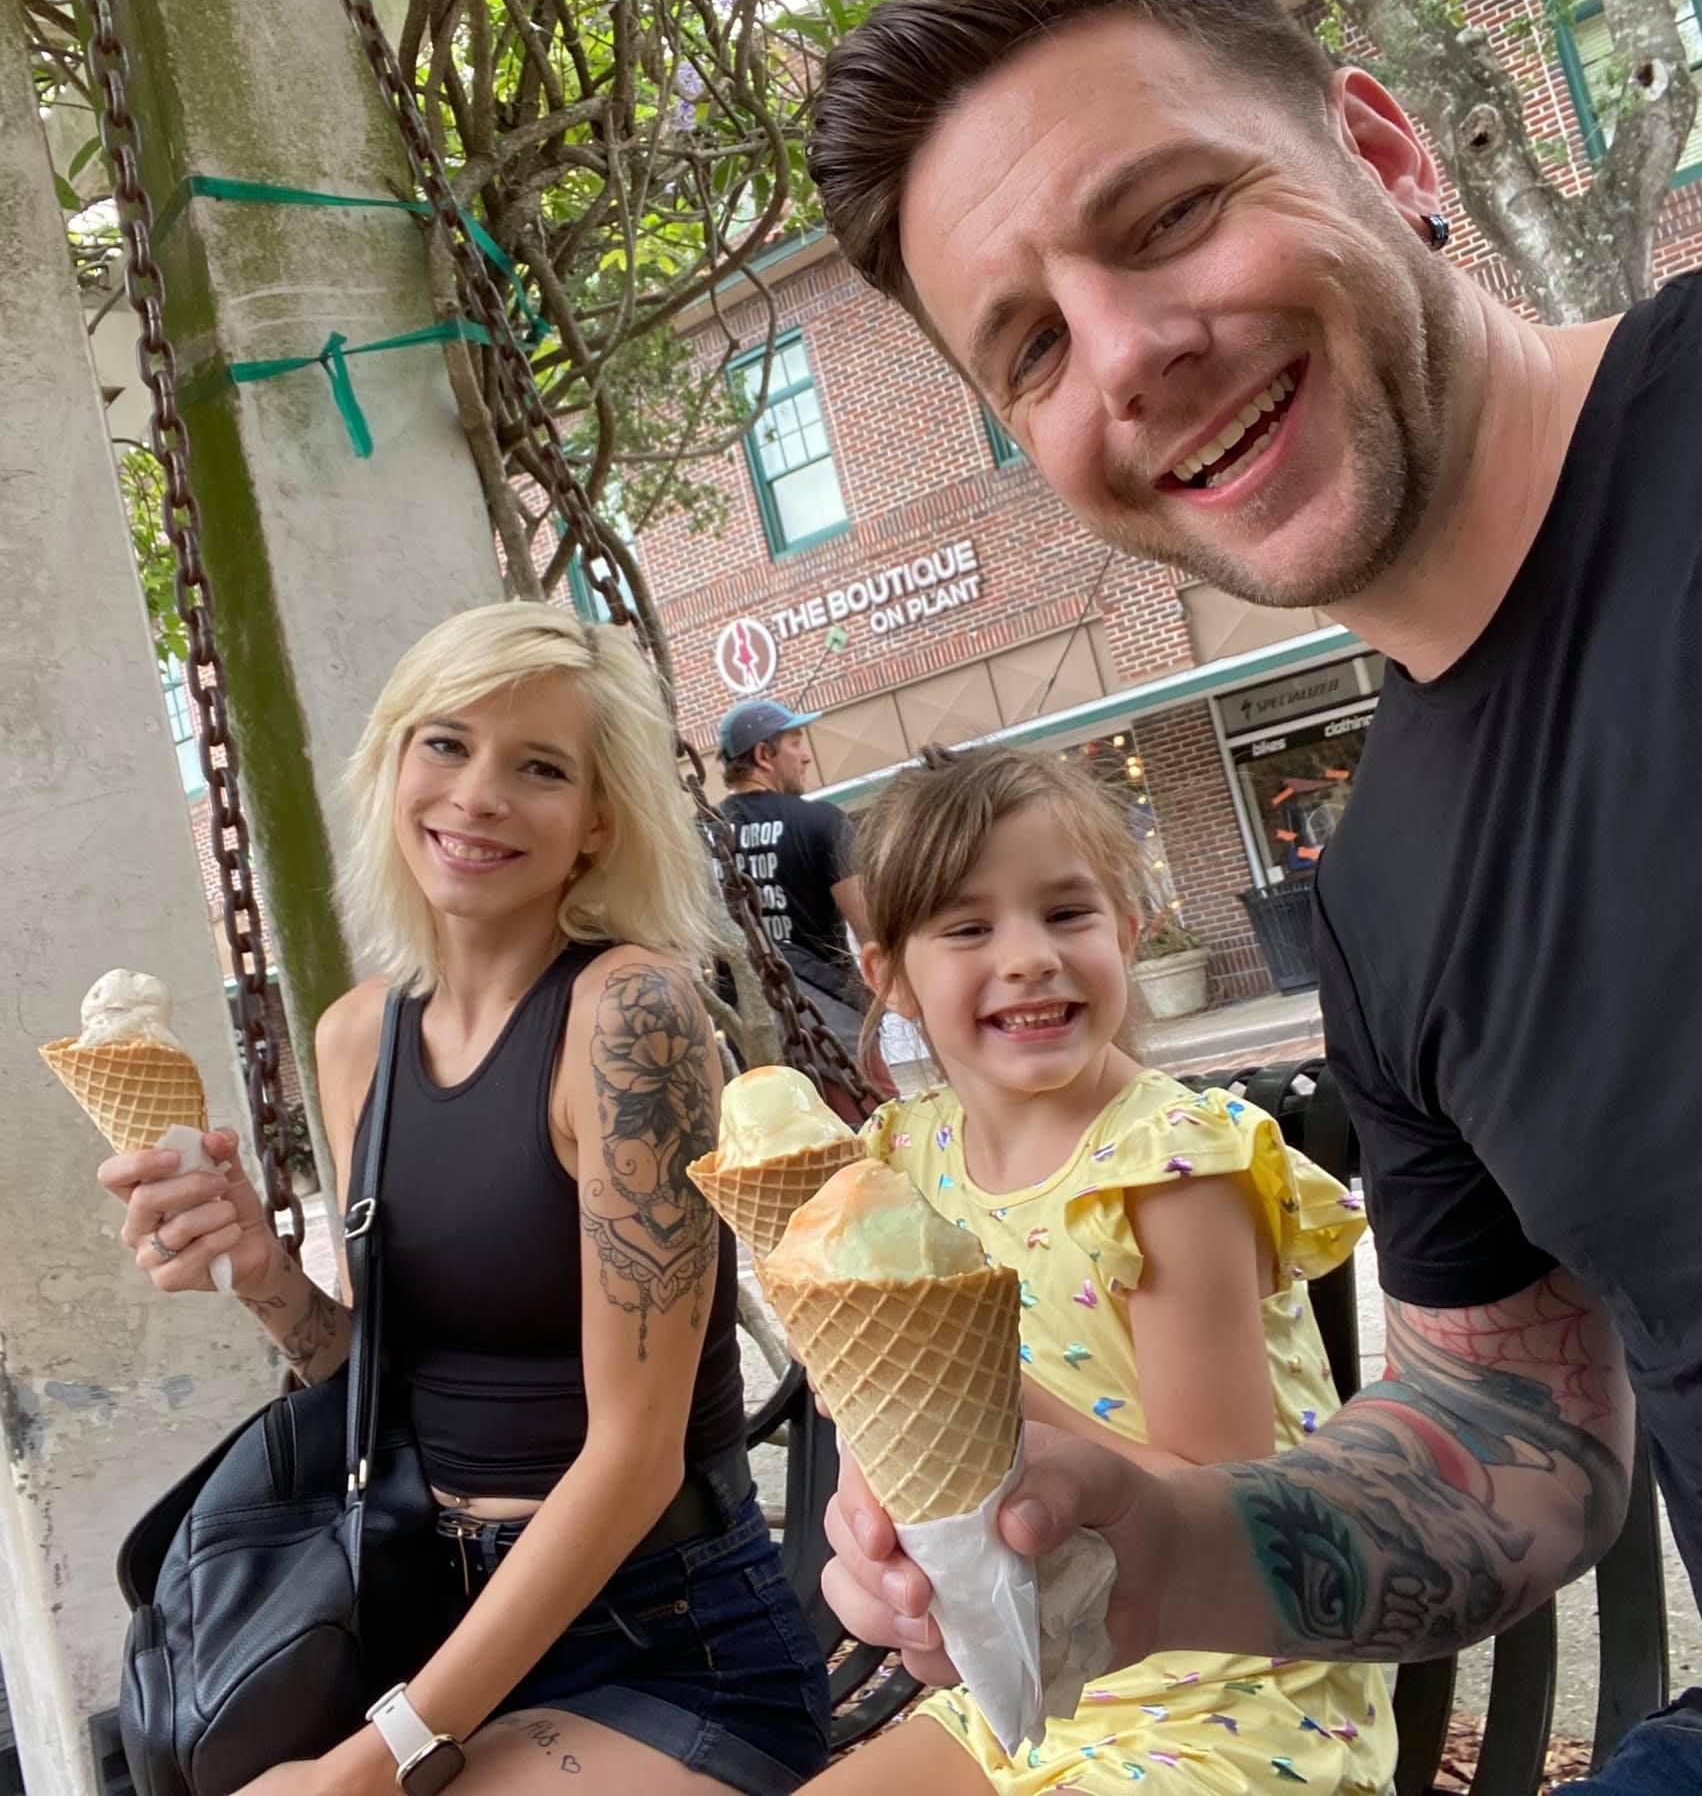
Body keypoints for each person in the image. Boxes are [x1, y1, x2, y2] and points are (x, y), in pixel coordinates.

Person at [803, 0, 1702, 1793]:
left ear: (1384, 156)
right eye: (1034, 345)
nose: (1129, 355)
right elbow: (1510, 1417)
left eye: (1164, 219)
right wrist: (1155, 1537)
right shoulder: (1381, 902)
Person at [100, 603, 831, 1796]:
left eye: (538, 766)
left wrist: (369, 1761)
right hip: (418, 1616)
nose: (478, 793)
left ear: (598, 820)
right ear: (394, 762)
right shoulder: (353, 1039)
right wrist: (265, 1272)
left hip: (660, 1637)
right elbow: (376, 1383)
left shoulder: (628, 1014)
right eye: (446, 743)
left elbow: (637, 1453)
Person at [799, 745, 1392, 1796]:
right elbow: (879, 1458)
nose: (1027, 956)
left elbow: (1224, 1502)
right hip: (1029, 1670)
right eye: (968, 926)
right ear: (889, 973)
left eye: (1065, 913)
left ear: (1127, 926)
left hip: (1231, 1682)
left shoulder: (1172, 1163)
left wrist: (970, 1376)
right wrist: (874, 1551)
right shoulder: (899, 1160)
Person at [718, 698, 870, 1054]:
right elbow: (871, 929)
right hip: (832, 1028)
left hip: (746, 1037)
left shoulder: (702, 835)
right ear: (763, 756)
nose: (805, 756)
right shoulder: (822, 822)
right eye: (795, 743)